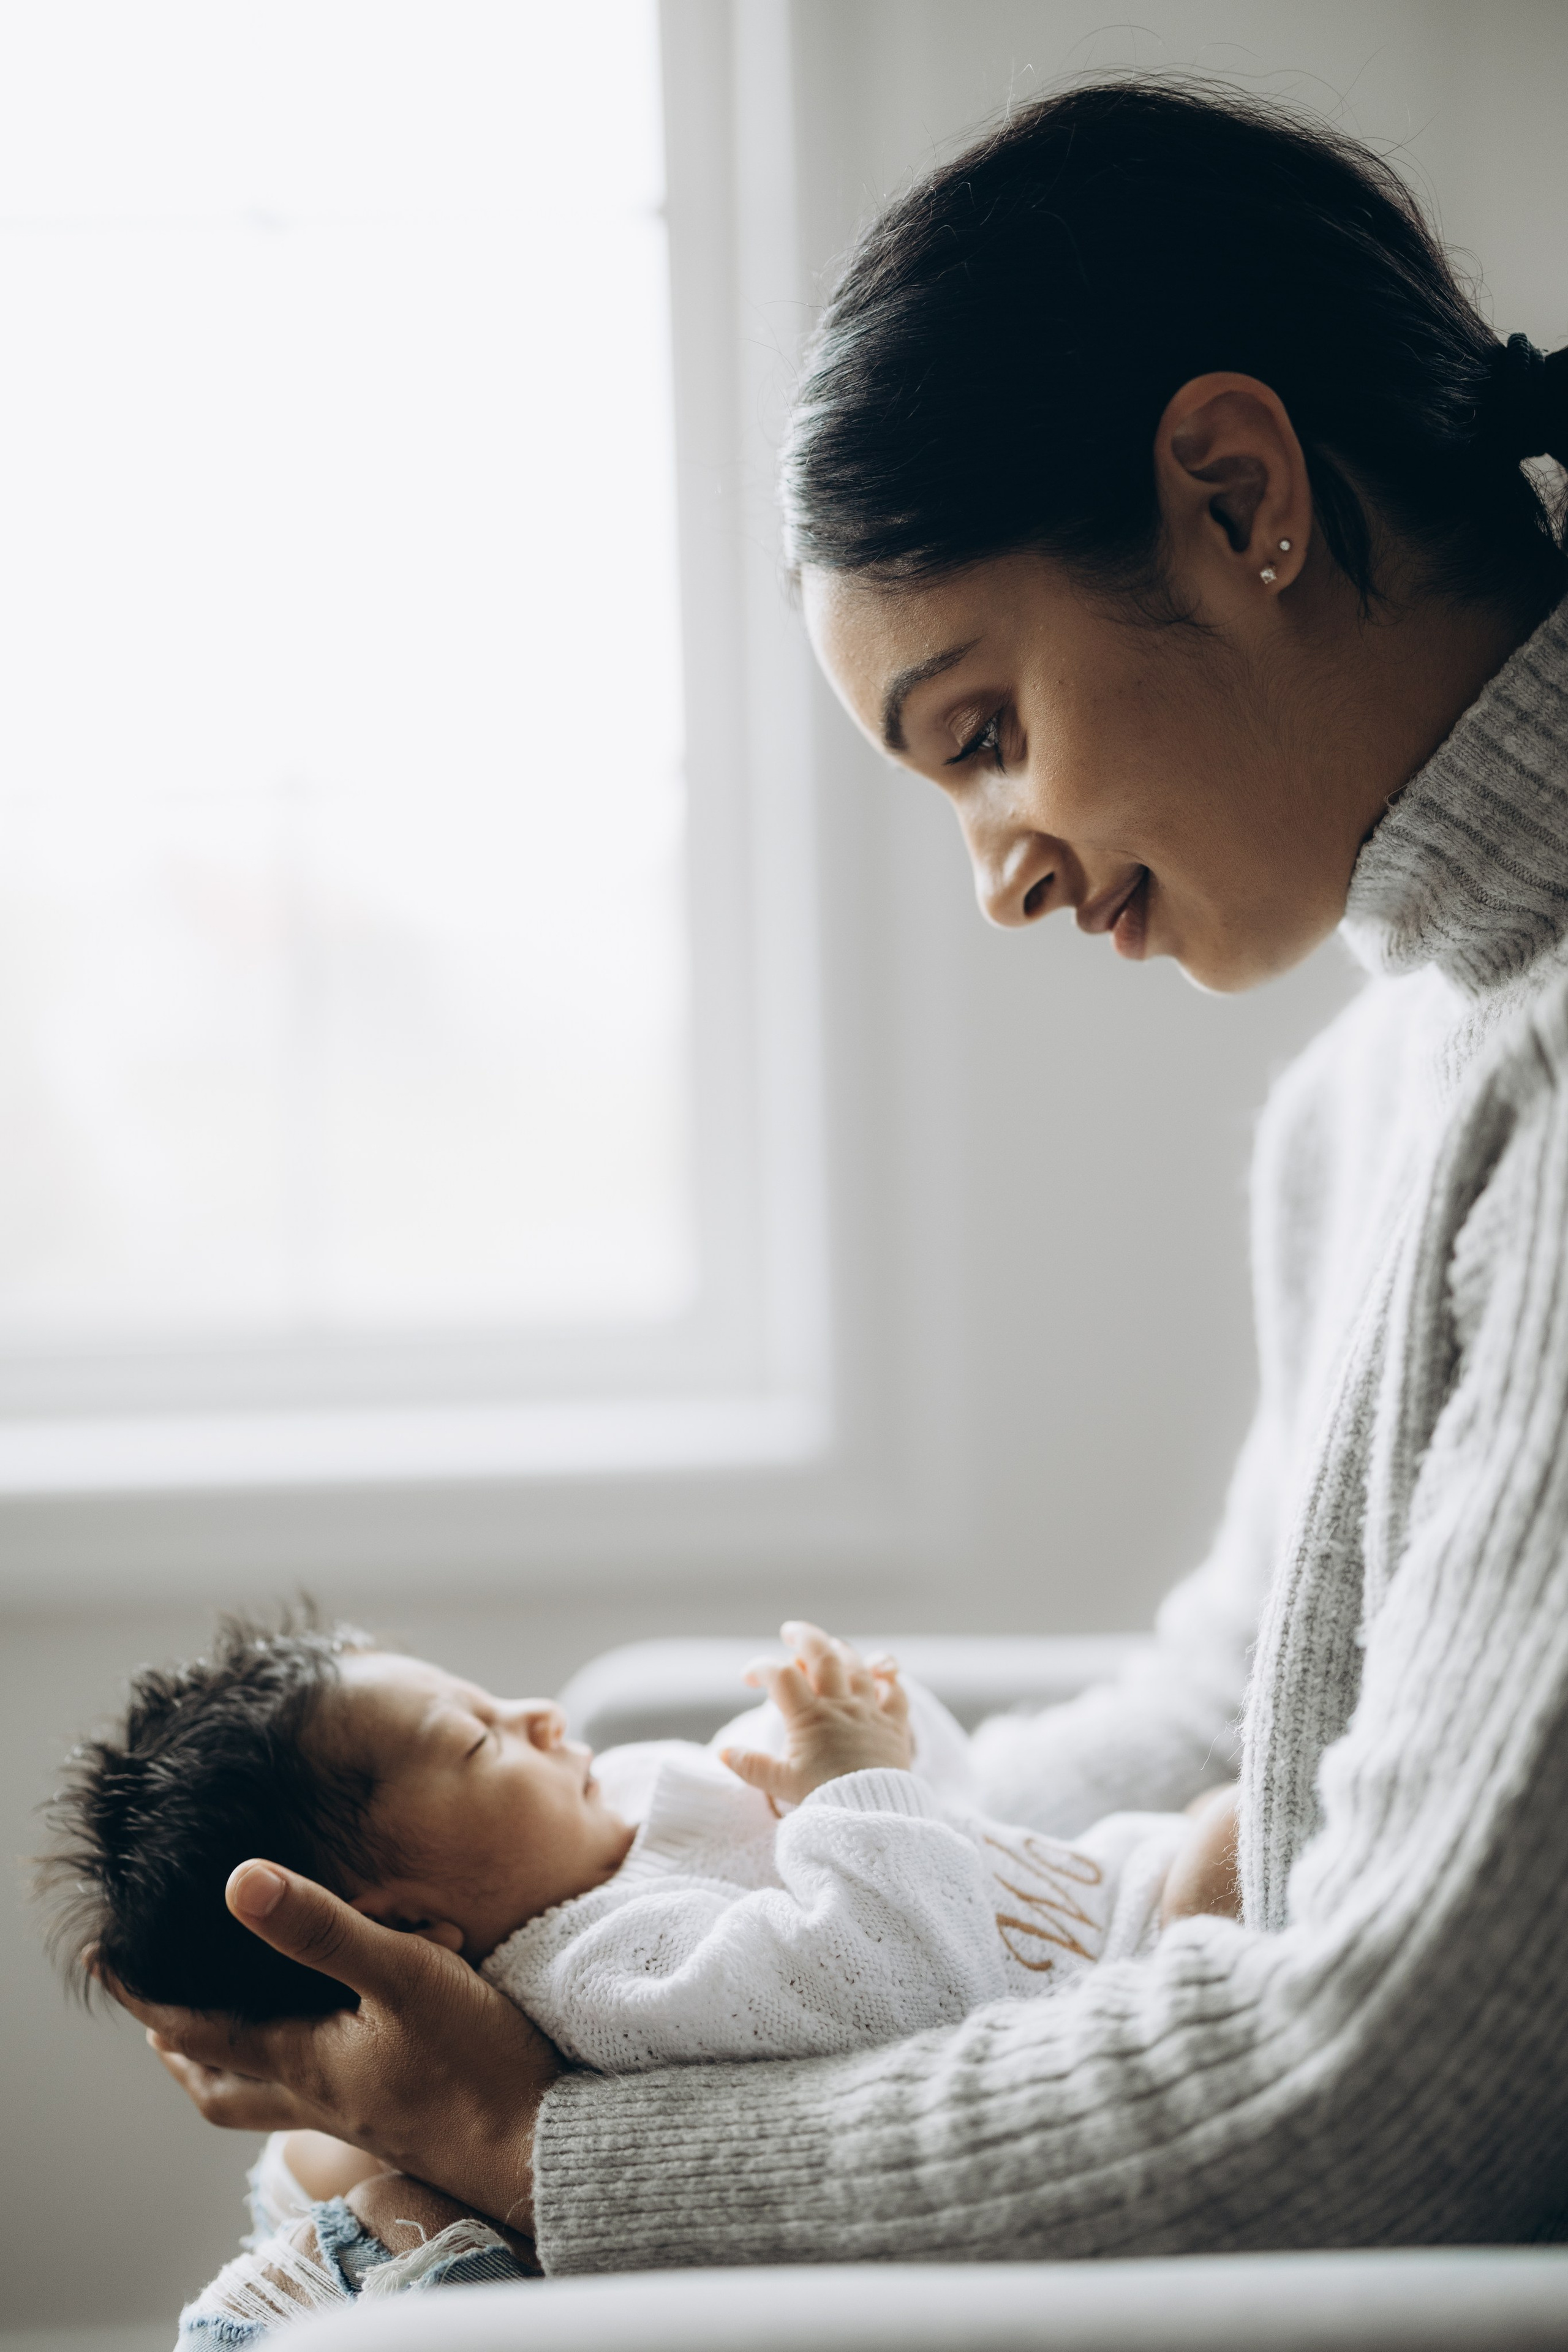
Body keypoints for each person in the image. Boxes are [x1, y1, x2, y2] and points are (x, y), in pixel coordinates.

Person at [121, 77, 1568, 2276]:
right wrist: (684, 1883)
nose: (997, 877)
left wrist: (562, 2155)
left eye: (982, 733)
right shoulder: (1374, 1093)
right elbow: (1249, 1690)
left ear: (1239, 495)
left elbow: (1405, 2091)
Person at [58, 1611, 1235, 2329]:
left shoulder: (614, 1811)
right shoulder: (611, 1969)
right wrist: (854, 1783)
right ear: (410, 1924)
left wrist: (884, 1730)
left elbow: (957, 1826)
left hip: (1102, 1889)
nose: (534, 1712)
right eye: (477, 1739)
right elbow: (913, 1986)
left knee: (1234, 1820)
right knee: (1236, 1834)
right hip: (1130, 1977)